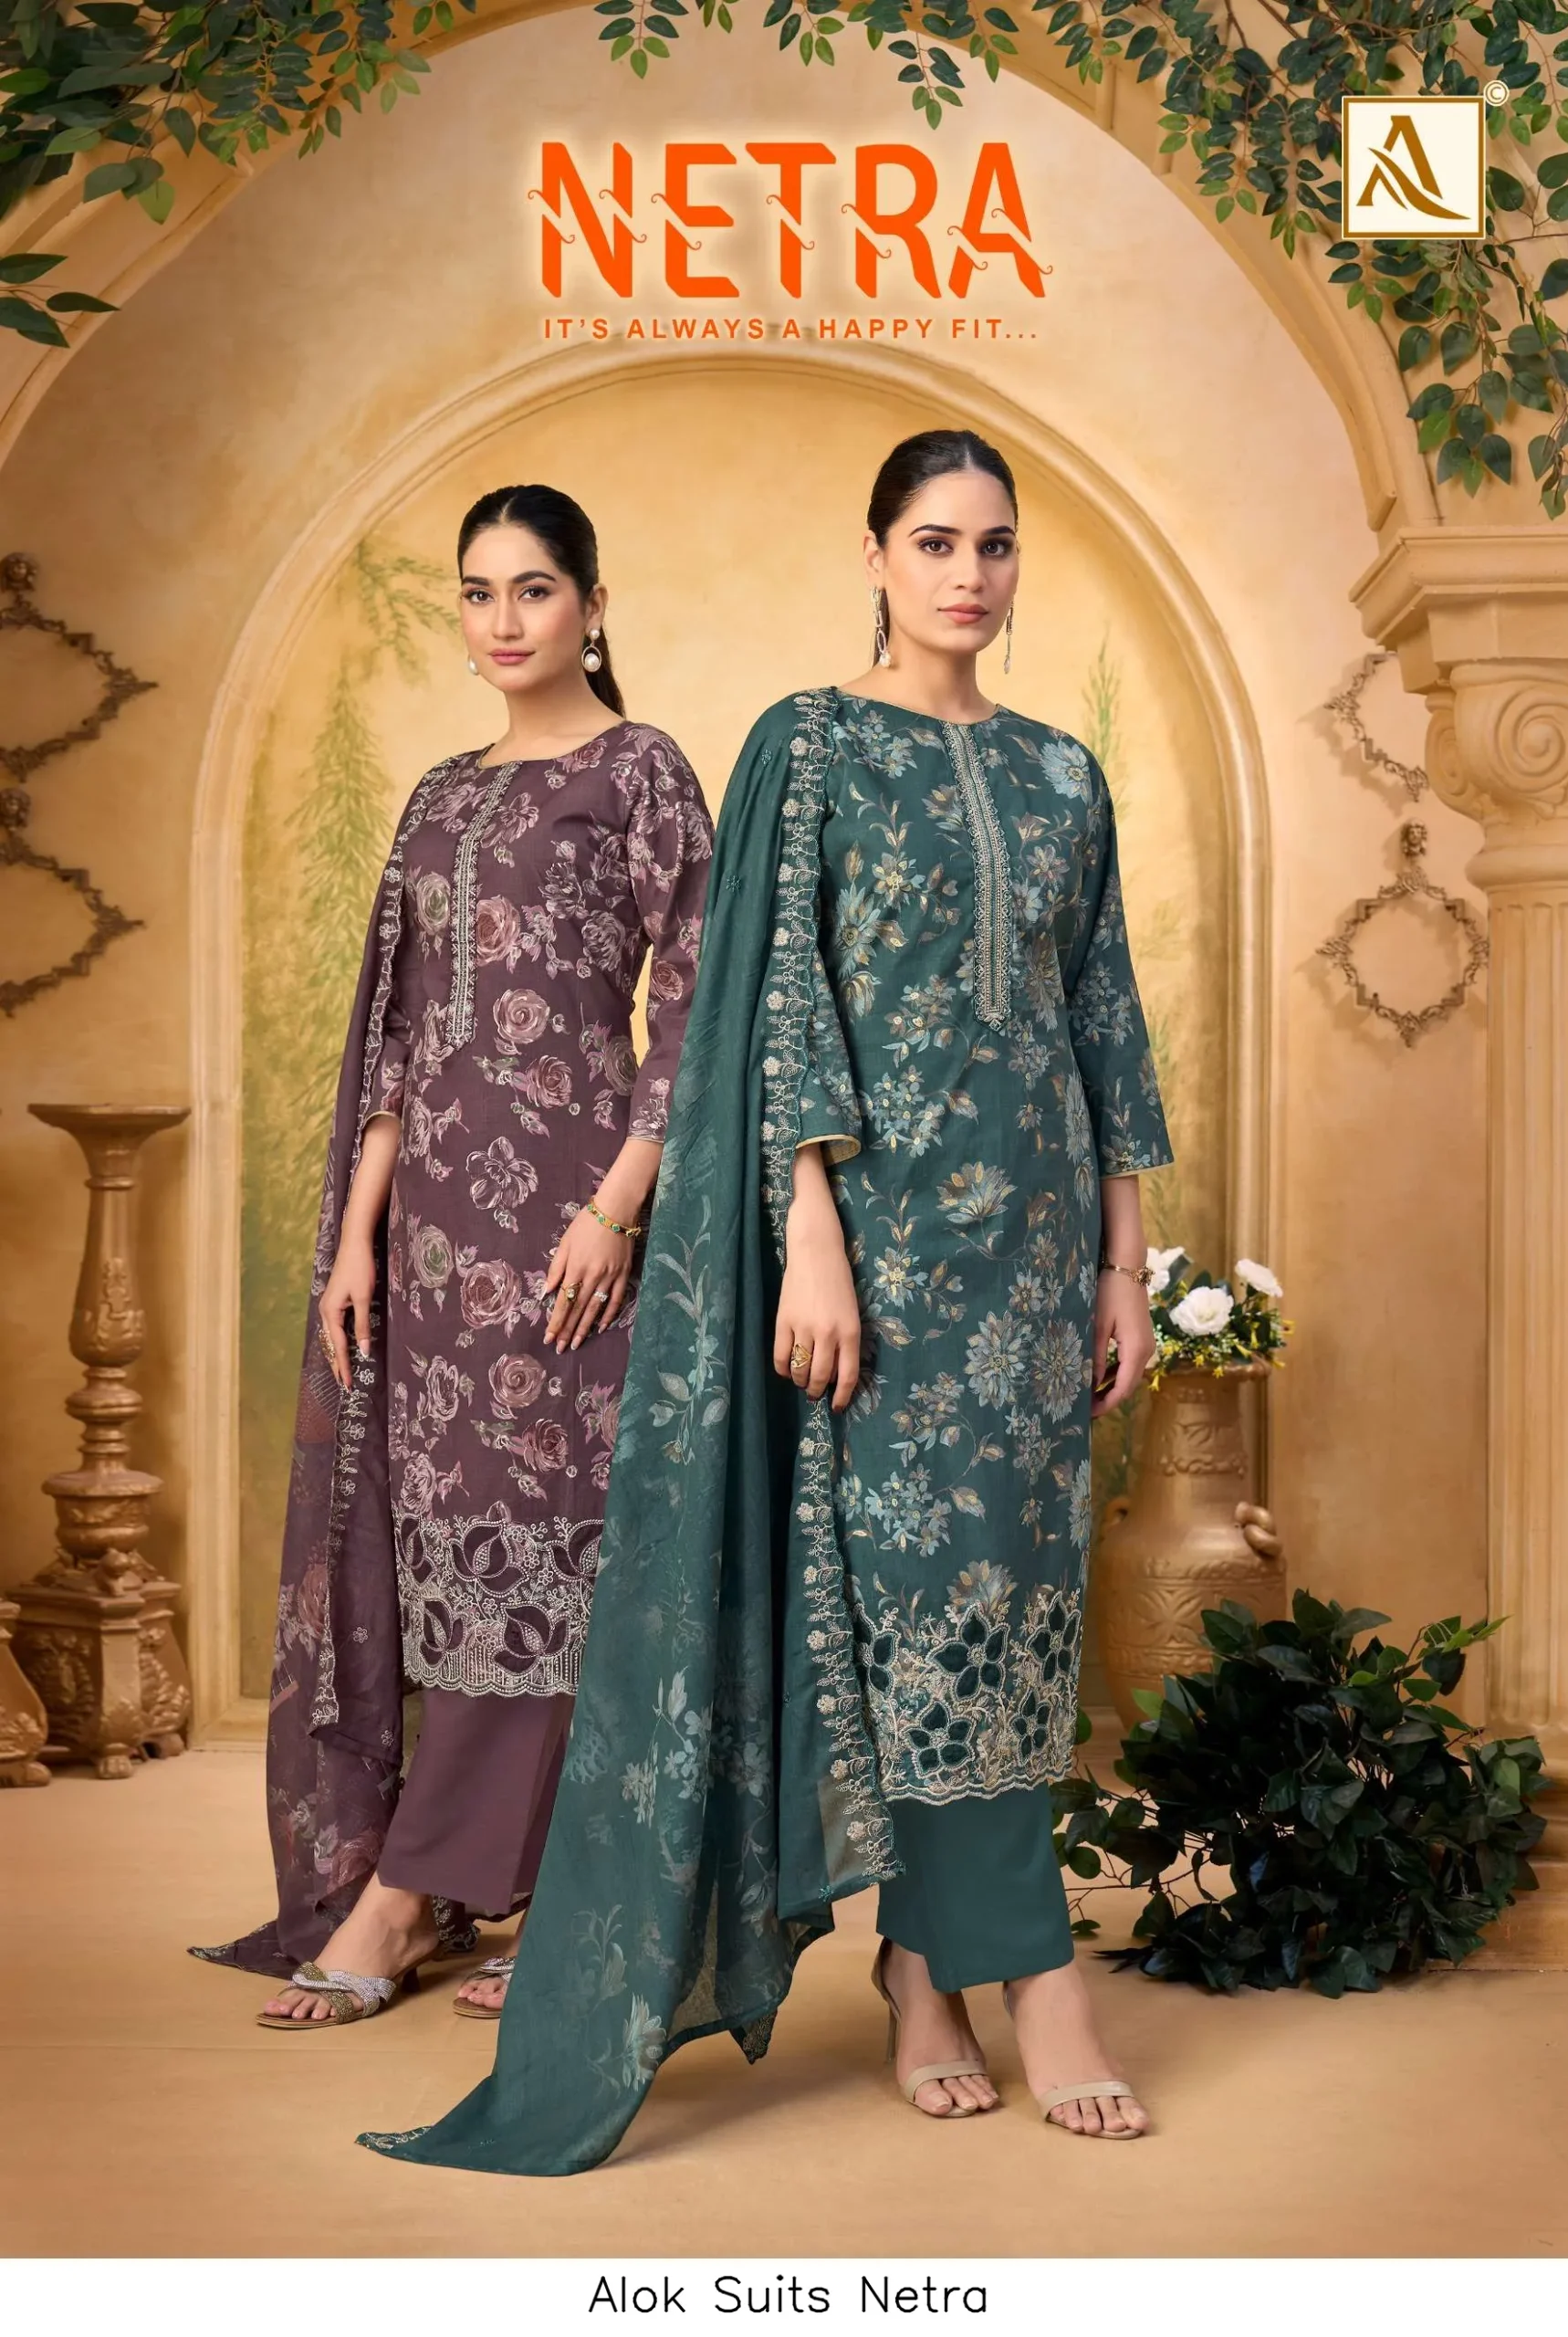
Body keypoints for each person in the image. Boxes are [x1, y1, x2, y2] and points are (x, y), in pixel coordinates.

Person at [359, 426, 1169, 2170]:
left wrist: (1123, 1262)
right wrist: (807, 1232)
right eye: (935, 542)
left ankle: (923, 1972)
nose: (968, 574)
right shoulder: (810, 745)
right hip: (878, 1259)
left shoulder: (1062, 774)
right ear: (875, 556)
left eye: (995, 545)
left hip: (1036, 1261)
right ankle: (1035, 1983)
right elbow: (776, 1000)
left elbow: (1103, 1016)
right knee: (917, 1613)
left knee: (1020, 1613)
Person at [192, 484, 713, 2024]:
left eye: (534, 589)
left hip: (576, 1240)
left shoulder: (640, 773)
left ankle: (413, 1896)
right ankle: (497, 1892)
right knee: (452, 1565)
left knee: (551, 1564)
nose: (503, 620)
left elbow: (695, 1006)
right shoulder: (435, 797)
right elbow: (401, 1042)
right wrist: (357, 1239)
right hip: (431, 1250)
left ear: (594, 606)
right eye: (478, 593)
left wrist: (617, 1209)